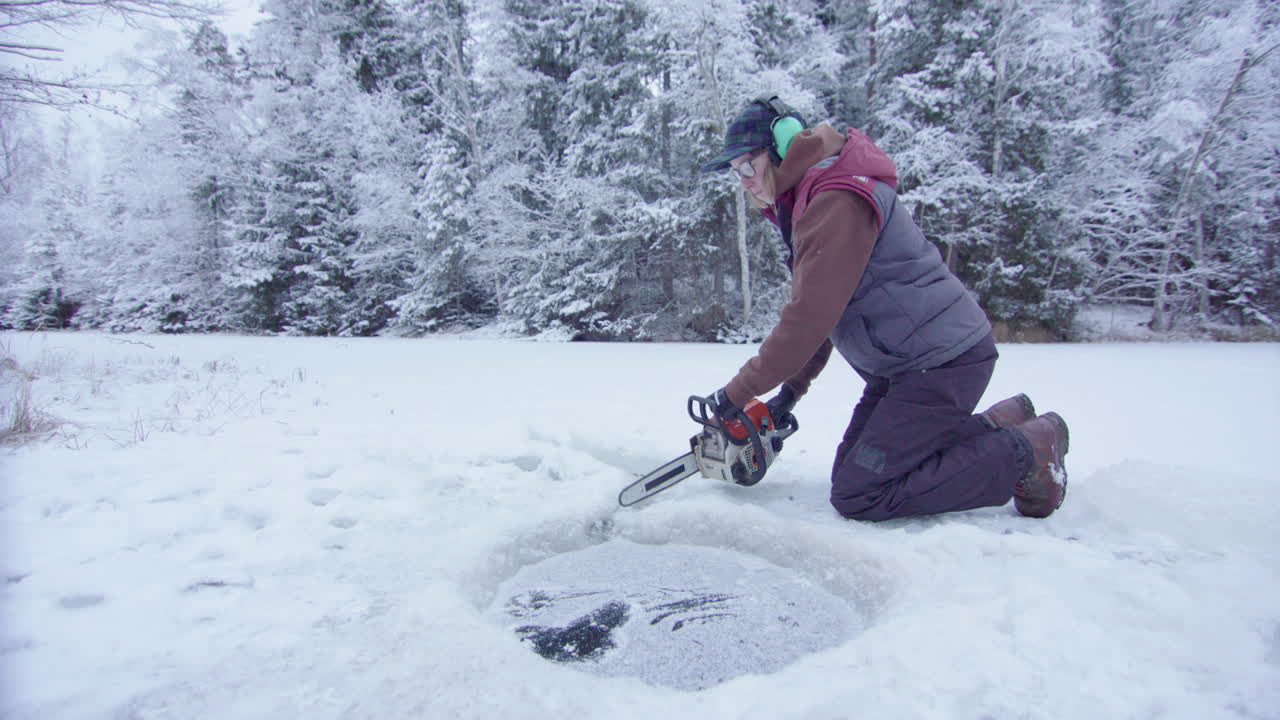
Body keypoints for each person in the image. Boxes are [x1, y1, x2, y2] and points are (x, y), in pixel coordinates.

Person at [699, 96, 1070, 520]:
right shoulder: (813, 199)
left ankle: (1030, 450)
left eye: (748, 166)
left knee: (863, 493)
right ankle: (1000, 424)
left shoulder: (834, 202)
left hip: (940, 363)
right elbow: (824, 313)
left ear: (782, 149)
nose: (744, 182)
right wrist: (789, 394)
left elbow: (807, 321)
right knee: (853, 472)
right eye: (736, 172)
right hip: (905, 369)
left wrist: (736, 393)